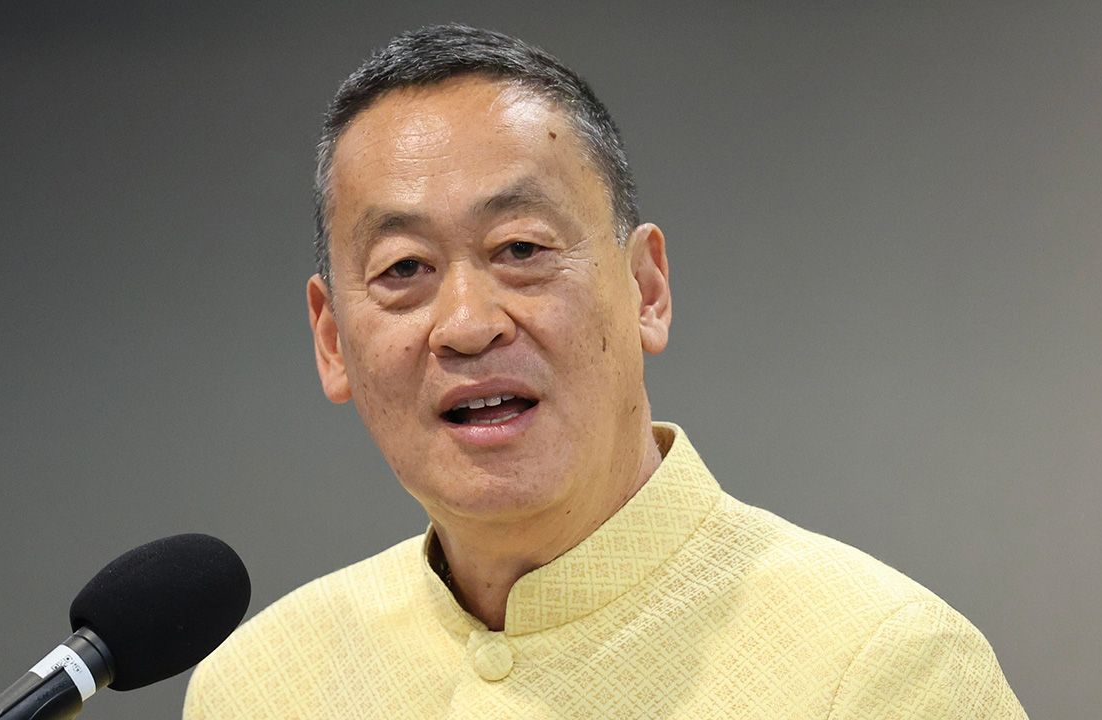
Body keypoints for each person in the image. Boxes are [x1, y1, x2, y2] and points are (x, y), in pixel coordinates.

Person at [184, 24, 1027, 719]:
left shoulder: (883, 667)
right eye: (404, 268)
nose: (469, 324)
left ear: (646, 289)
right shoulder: (260, 686)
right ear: (332, 340)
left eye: (521, 249)